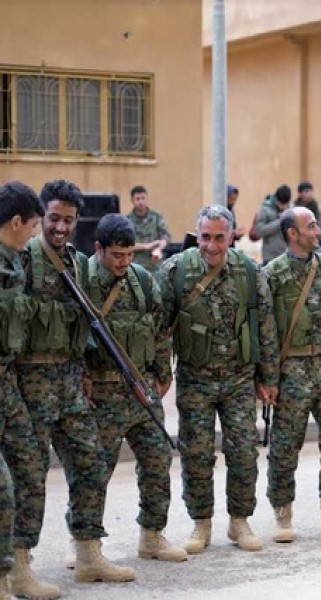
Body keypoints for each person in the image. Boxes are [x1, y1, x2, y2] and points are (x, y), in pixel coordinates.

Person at [18, 179, 135, 584]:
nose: (62, 227)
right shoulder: (24, 258)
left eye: (69, 219)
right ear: (41, 217)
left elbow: (82, 326)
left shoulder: (78, 262)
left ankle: (88, 554)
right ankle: (18, 564)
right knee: (29, 476)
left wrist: (83, 372)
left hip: (69, 383)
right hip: (29, 384)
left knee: (92, 463)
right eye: (54, 218)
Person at [157, 205, 279, 554]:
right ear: (198, 235)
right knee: (196, 454)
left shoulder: (250, 272)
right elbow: (160, 330)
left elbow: (266, 326)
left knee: (242, 452)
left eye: (219, 237)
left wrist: (268, 376)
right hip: (195, 379)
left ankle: (239, 521)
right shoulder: (176, 271)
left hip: (239, 380)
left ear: (231, 236)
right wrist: (163, 374)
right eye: (206, 237)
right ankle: (201, 522)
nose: (211, 245)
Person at [82, 214, 186, 563]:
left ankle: (152, 536)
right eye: (116, 256)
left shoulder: (142, 281)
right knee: (94, 471)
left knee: (157, 461)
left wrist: (162, 371)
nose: (123, 263)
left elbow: (157, 330)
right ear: (99, 249)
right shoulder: (82, 281)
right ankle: (86, 545)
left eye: (128, 255)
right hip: (102, 395)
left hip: (141, 391)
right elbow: (73, 337)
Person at [263, 206, 321, 546]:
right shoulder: (273, 274)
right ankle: (282, 513)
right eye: (311, 226)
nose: (318, 231)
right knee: (285, 448)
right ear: (292, 234)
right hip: (293, 372)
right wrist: (269, 379)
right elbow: (267, 332)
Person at [0, 181, 56, 599]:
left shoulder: (16, 262)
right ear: (16, 222)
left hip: (7, 382)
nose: (35, 234)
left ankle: (20, 567)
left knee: (30, 465)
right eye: (33, 226)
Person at [126, 185, 170, 272]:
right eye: (138, 199)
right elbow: (126, 244)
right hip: (135, 265)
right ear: (132, 200)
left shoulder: (157, 217)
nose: (141, 202)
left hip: (155, 264)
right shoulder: (127, 220)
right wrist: (147, 246)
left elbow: (165, 236)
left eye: (143, 198)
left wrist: (159, 249)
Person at [254, 184, 291, 264]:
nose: (284, 207)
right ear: (277, 199)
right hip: (270, 257)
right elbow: (259, 231)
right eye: (281, 204)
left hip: (288, 255)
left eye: (286, 204)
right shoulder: (265, 209)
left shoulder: (291, 209)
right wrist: (280, 222)